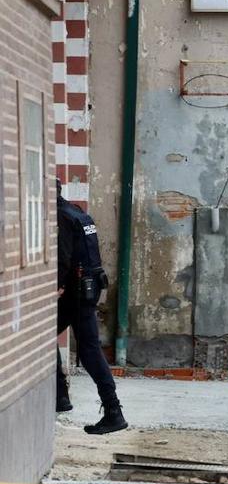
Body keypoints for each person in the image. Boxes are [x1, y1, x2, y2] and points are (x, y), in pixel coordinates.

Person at [56, 181, 127, 434]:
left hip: (77, 291)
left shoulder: (62, 217)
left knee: (89, 351)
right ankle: (60, 395)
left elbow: (63, 257)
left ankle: (112, 411)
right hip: (88, 287)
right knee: (49, 334)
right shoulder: (78, 213)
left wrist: (56, 285)